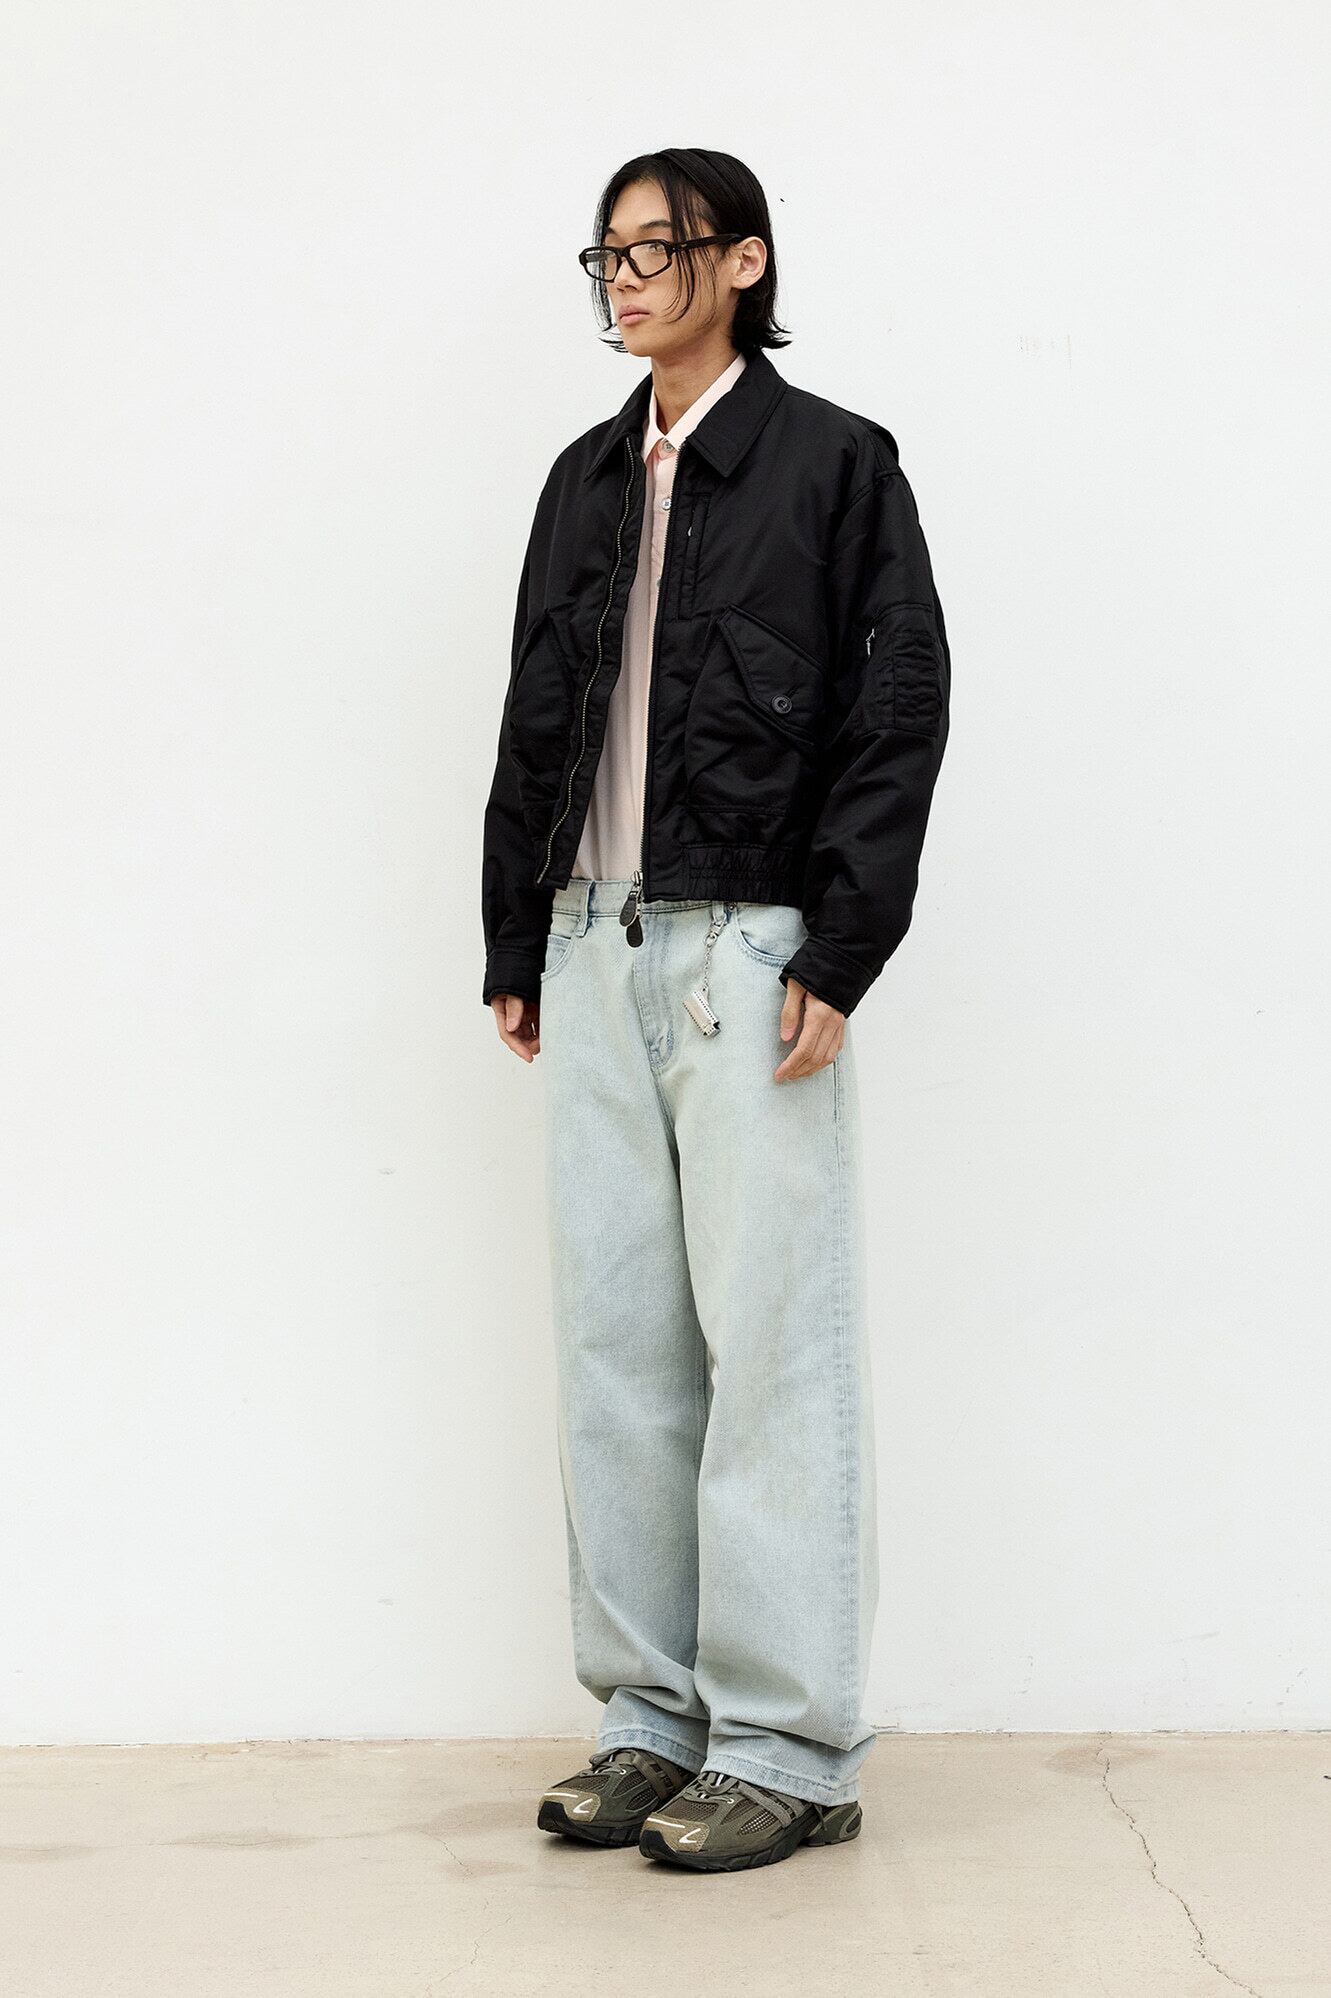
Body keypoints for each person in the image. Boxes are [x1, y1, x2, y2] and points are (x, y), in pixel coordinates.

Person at [480, 147, 951, 1873]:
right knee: (617, 1348)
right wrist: (515, 932)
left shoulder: (835, 462)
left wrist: (842, 940)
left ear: (743, 260)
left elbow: (898, 702)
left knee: (773, 1345)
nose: (623, 278)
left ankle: (788, 1746)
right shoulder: (584, 475)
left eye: (655, 247)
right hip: (592, 938)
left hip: (748, 944)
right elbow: (538, 709)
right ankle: (649, 1720)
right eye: (604, 255)